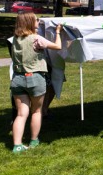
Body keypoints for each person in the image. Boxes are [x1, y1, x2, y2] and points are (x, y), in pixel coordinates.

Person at [9, 12, 63, 153]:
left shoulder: (15, 39)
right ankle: (34, 140)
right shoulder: (36, 39)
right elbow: (58, 47)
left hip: (17, 79)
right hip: (35, 78)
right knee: (36, 111)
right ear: (29, 22)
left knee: (21, 114)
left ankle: (17, 145)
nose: (38, 21)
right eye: (36, 20)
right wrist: (58, 33)